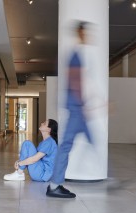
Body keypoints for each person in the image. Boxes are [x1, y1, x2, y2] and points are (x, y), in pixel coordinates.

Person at [46, 22, 93, 198]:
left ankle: (55, 184)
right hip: (76, 107)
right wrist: (81, 104)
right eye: (86, 32)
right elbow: (74, 81)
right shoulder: (75, 55)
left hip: (76, 106)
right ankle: (54, 186)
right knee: (66, 146)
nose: (88, 36)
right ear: (81, 33)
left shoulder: (77, 54)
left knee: (84, 140)